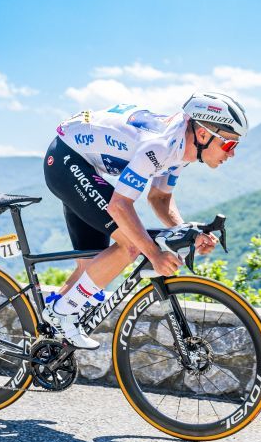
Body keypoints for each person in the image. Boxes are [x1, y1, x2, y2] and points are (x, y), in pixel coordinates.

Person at [40, 91, 248, 347]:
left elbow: (159, 199)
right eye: (229, 144)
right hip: (66, 159)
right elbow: (119, 206)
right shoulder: (160, 146)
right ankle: (60, 313)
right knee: (131, 245)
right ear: (203, 134)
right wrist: (154, 255)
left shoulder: (184, 148)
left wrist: (187, 233)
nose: (232, 153)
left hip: (81, 160)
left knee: (93, 266)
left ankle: (45, 341)